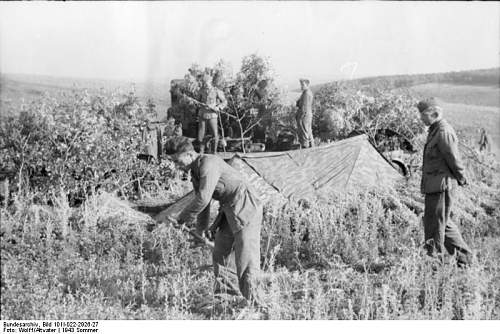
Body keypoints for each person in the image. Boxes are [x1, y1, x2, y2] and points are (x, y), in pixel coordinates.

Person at [164, 136, 264, 304]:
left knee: (246, 252)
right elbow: (204, 201)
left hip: (246, 204)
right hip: (228, 208)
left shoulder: (208, 163)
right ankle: (225, 299)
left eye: (177, 160)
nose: (176, 165)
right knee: (221, 251)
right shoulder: (195, 172)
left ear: (189, 154)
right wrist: (200, 229)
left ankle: (255, 302)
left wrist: (181, 219)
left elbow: (203, 198)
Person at [417, 98, 472, 267]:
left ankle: (434, 263)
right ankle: (465, 259)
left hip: (441, 186)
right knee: (441, 222)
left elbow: (454, 159)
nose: (421, 119)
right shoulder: (435, 131)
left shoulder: (443, 132)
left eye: (423, 115)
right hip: (433, 185)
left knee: (436, 225)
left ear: (434, 114)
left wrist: (462, 178)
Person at [197, 73, 227, 154]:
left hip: (212, 115)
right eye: (203, 82)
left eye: (206, 82)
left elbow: (224, 102)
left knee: (214, 133)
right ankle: (201, 151)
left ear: (210, 82)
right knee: (201, 134)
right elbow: (197, 101)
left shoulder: (216, 91)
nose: (204, 84)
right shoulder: (201, 90)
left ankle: (214, 151)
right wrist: (200, 104)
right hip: (202, 115)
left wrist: (218, 107)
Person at [295, 78, 314, 148]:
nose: (301, 86)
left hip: (304, 115)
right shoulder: (307, 92)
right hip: (307, 115)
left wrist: (299, 118)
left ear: (307, 85)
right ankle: (312, 148)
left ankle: (305, 150)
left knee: (304, 133)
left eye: (303, 84)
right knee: (308, 132)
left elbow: (304, 107)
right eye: (301, 84)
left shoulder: (306, 93)